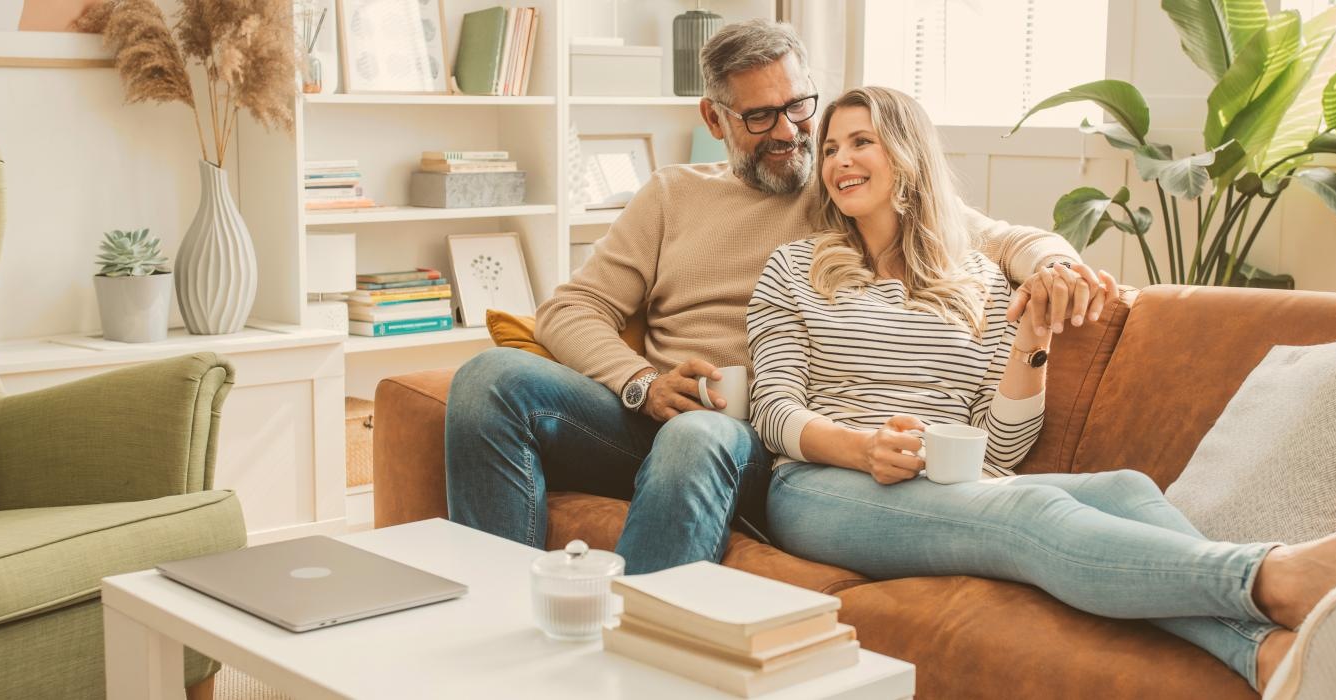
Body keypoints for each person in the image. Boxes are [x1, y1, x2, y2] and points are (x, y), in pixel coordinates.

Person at [747, 85, 1336, 698]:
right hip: (822, 485)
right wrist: (859, 446)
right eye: (833, 148)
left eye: (860, 142)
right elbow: (772, 409)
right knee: (1028, 509)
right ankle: (1275, 575)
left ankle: (1272, 658)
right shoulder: (795, 268)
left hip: (944, 484)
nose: (839, 161)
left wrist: (1032, 345)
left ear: (907, 156)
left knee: (1126, 488)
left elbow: (997, 446)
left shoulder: (978, 281)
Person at [442, 20, 1115, 575]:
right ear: (715, 117)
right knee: (487, 379)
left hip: (754, 438)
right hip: (646, 422)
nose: (791, 134)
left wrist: (1056, 262)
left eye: (799, 107)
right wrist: (641, 382)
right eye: (760, 116)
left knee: (698, 435)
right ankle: (498, 610)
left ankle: (638, 654)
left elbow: (994, 237)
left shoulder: (846, 191)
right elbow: (570, 309)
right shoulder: (672, 194)